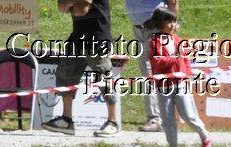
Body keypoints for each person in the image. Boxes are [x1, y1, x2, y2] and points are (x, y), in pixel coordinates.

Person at [42, 0, 121, 138]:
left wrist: (71, 5)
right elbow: (62, 7)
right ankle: (66, 120)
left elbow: (82, 9)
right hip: (77, 39)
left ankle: (112, 122)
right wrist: (72, 5)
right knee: (65, 75)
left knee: (104, 79)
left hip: (97, 38)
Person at [146, 5, 211, 147]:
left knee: (188, 116)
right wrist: (176, 57)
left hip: (181, 84)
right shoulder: (155, 42)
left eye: (173, 21)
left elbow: (185, 59)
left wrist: (189, 72)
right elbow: (158, 62)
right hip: (164, 86)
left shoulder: (177, 40)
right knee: (168, 121)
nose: (172, 24)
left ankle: (205, 137)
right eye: (169, 21)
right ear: (161, 23)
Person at [125, 0, 171, 131]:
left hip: (156, 25)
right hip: (140, 28)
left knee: (151, 71)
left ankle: (156, 118)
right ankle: (161, 117)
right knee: (148, 71)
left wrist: (171, 26)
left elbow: (173, 2)